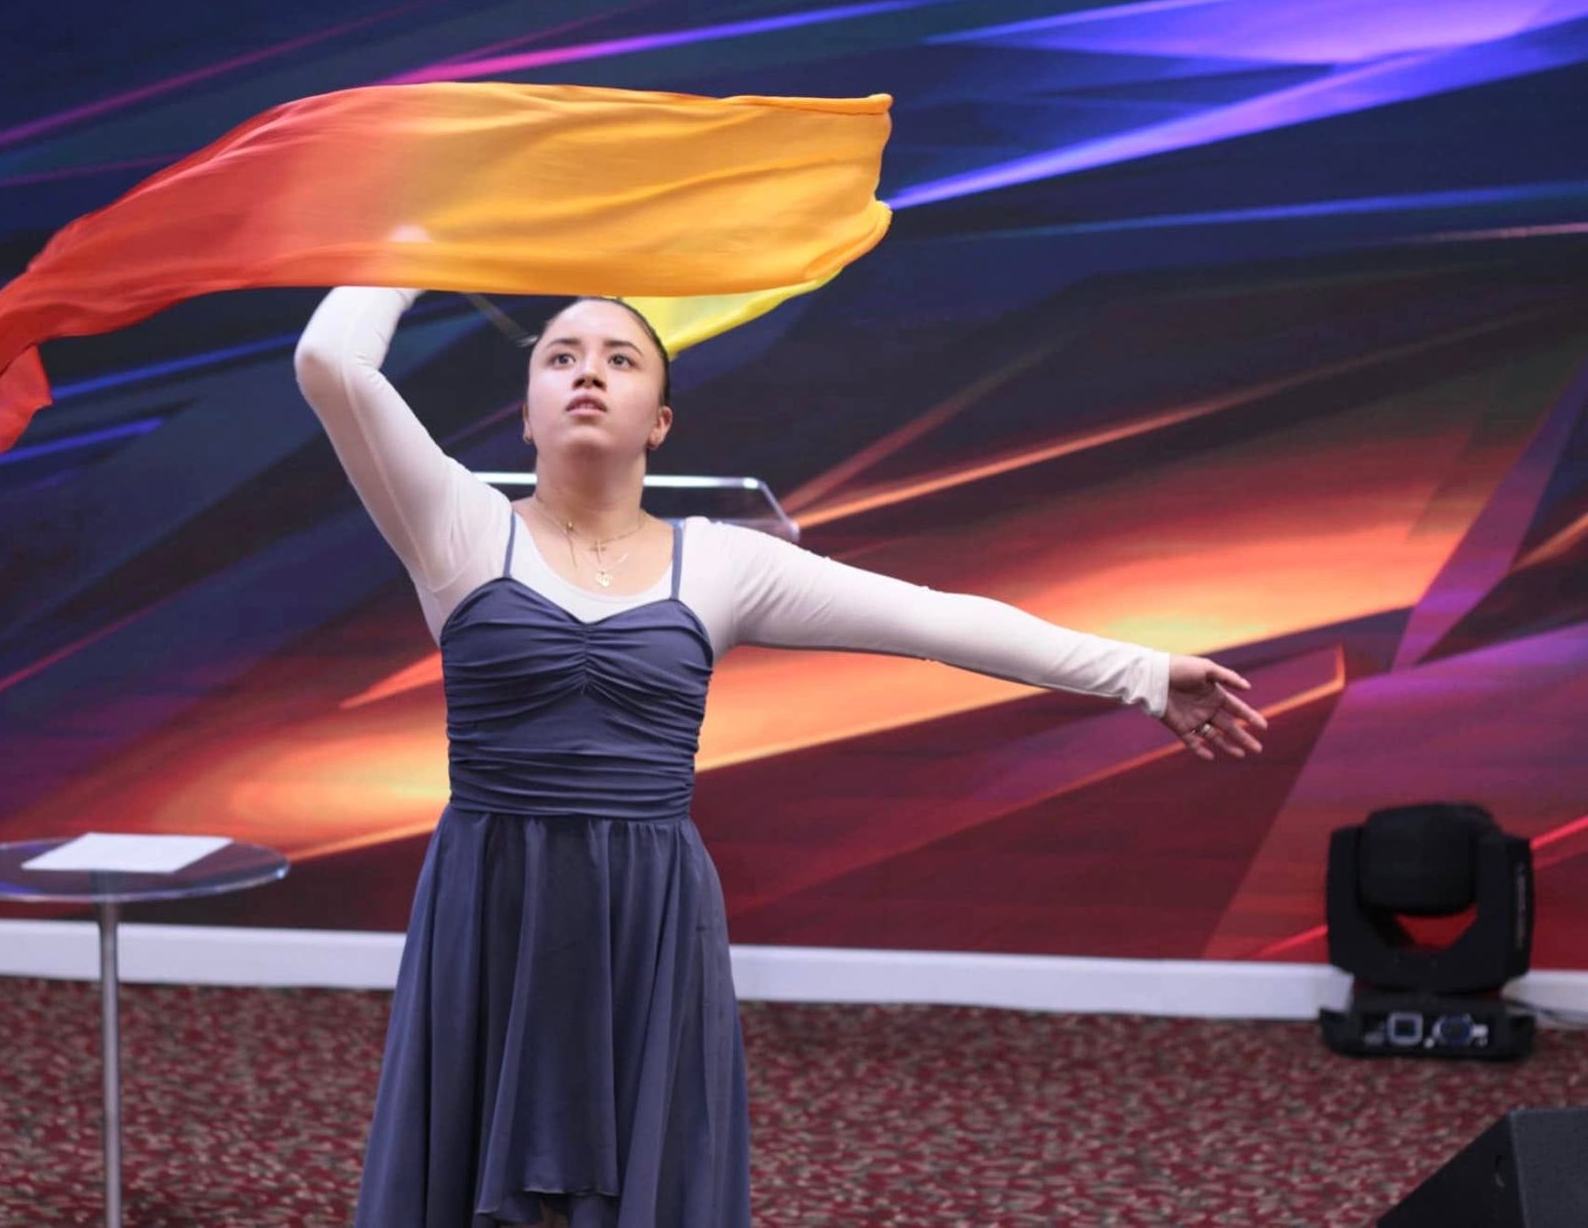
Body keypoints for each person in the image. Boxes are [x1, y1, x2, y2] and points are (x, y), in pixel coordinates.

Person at [293, 284, 1269, 1228]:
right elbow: (331, 361)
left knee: (638, 1178)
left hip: (649, 916)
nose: (588, 372)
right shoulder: (460, 530)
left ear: (661, 421)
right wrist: (410, 245)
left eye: (619, 358)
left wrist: (1141, 674)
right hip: (493, 899)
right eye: (561, 356)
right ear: (528, 413)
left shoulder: (721, 561)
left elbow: (937, 621)